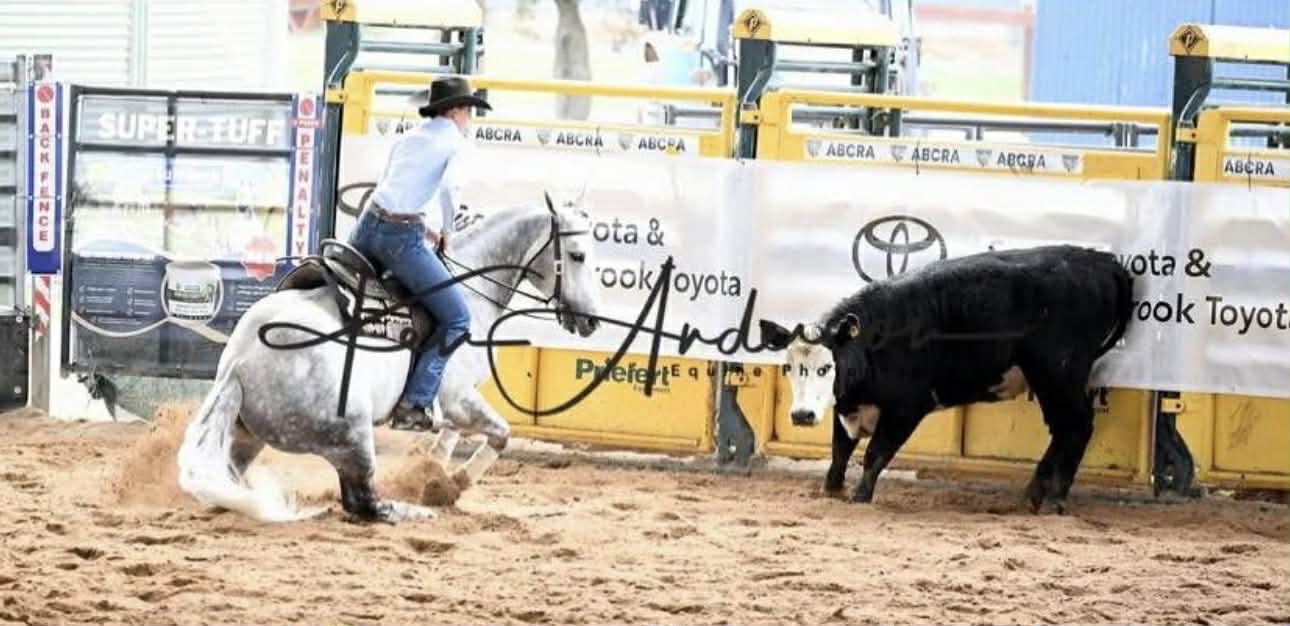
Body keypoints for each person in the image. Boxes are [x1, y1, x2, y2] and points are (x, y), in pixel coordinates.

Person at [347, 76, 491, 431]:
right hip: (400, 239)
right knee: (457, 318)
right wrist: (447, 231)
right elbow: (450, 189)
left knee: (351, 292)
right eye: (469, 110)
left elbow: (390, 186)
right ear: (456, 111)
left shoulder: (408, 138)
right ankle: (415, 402)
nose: (470, 118)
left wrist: (424, 226)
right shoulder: (456, 144)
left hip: (366, 227)